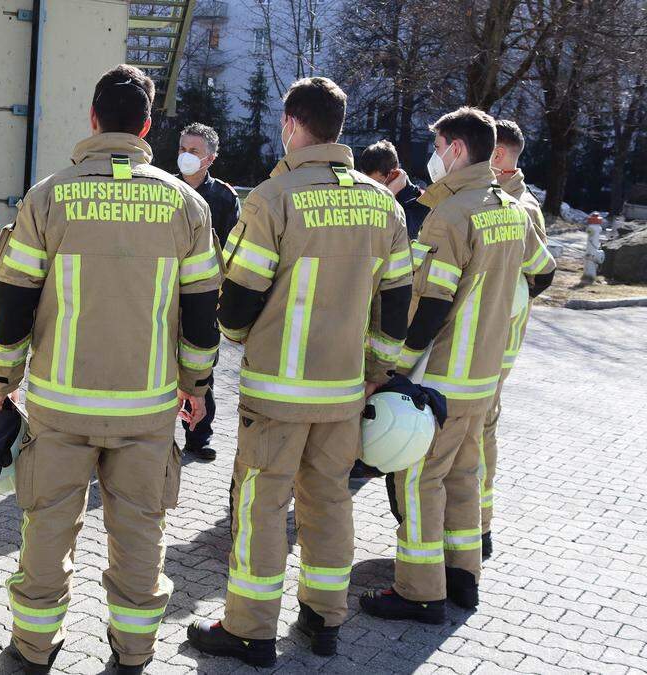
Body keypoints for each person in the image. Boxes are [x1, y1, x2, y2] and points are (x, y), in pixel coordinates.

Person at [0, 64, 221, 674]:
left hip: (61, 407)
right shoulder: (187, 205)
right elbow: (201, 316)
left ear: (92, 120)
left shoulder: (47, 197)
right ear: (146, 125)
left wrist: (1, 380)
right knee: (141, 538)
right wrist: (195, 389)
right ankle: (134, 655)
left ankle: (32, 652)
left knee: (45, 535)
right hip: (146, 411)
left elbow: (14, 302)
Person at [186, 77, 412, 665]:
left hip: (276, 396)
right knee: (329, 503)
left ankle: (250, 630)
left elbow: (236, 301)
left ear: (291, 124)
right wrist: (379, 369)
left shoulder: (273, 197)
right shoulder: (381, 201)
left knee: (261, 508)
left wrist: (237, 338)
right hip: (344, 393)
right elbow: (398, 301)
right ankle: (324, 619)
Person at [360, 107, 555, 623]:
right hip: (484, 377)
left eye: (439, 145)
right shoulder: (510, 207)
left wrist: (393, 367)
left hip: (439, 379)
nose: (434, 155)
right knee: (465, 476)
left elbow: (431, 304)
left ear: (456, 150)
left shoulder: (451, 214)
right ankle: (463, 579)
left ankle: (420, 591)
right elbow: (543, 273)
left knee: (419, 480)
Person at [481, 119, 555, 558]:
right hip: (487, 346)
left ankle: (478, 529)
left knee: (479, 438)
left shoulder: (519, 208)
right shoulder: (501, 201)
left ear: (499, 157)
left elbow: (537, 278)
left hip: (491, 348)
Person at [175, 122, 239, 461]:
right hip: (167, 295)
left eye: (194, 151)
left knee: (200, 368)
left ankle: (198, 437)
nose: (186, 156)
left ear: (210, 159)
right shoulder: (164, 190)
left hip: (202, 299)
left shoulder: (224, 198)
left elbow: (231, 252)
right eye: (182, 148)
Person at [357, 139, 430, 240]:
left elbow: (395, 238)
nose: (370, 188)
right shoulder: (359, 197)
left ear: (394, 174)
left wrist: (388, 195)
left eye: (377, 183)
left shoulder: (421, 204)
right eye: (366, 182)